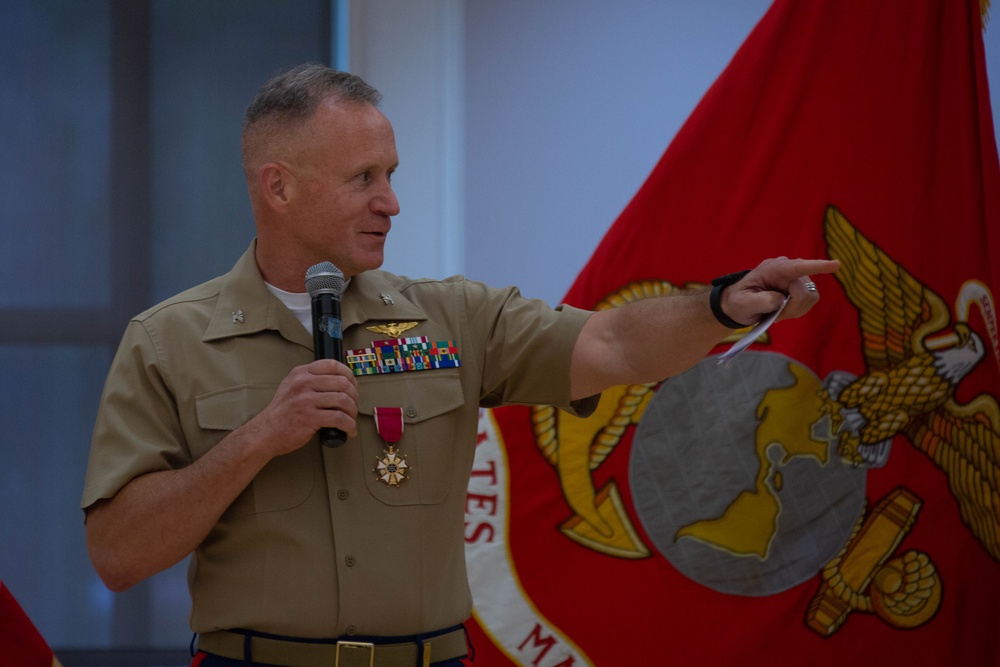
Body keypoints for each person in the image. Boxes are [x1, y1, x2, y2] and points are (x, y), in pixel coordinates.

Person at [81, 63, 839, 667]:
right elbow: (117, 554)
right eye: (363, 179)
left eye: (393, 174)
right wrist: (258, 437)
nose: (391, 202)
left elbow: (612, 346)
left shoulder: (456, 318)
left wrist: (719, 305)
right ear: (277, 186)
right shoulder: (168, 341)